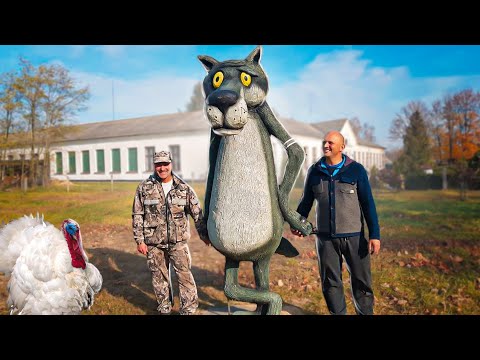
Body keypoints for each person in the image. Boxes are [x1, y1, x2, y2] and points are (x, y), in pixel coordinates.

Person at [291, 131, 381, 315]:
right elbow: (305, 202)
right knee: (330, 283)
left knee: (361, 283)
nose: (326, 145)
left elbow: (368, 204)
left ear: (342, 147)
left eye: (331, 143)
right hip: (325, 240)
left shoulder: (356, 170)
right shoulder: (314, 171)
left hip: (355, 238)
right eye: (324, 142)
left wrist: (374, 235)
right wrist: (298, 222)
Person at [132, 150, 210, 315]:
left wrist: (204, 235)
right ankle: (164, 307)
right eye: (158, 164)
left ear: (171, 164)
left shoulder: (183, 188)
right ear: (154, 166)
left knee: (184, 276)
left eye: (165, 164)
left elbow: (197, 214)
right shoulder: (144, 188)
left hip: (178, 242)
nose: (162, 168)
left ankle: (188, 309)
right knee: (159, 278)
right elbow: (138, 214)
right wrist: (140, 240)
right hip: (154, 243)